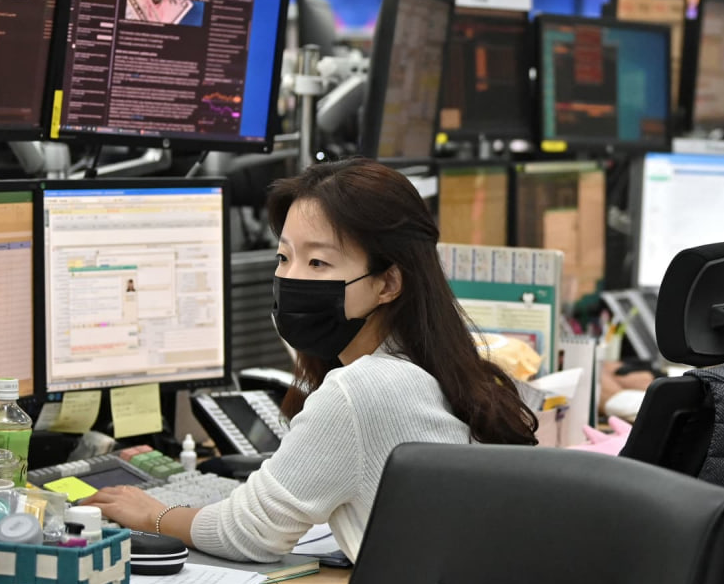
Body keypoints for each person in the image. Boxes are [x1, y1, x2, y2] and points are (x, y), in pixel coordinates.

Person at [84, 158, 538, 561]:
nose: (291, 278)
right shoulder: (430, 366)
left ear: (387, 283)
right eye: (283, 257)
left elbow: (249, 532)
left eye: (318, 263)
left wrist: (154, 514)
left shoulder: (364, 388)